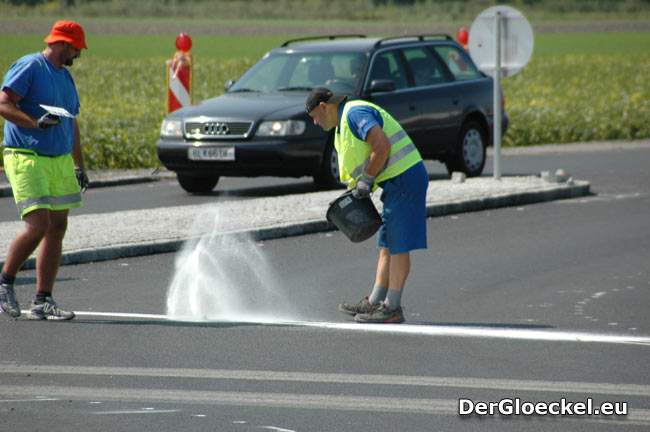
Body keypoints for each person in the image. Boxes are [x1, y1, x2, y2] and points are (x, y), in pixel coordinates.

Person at [306, 87, 428, 323]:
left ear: (323, 107)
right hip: (396, 181)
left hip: (405, 178)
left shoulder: (354, 113)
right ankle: (374, 303)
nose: (314, 122)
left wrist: (368, 179)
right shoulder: (343, 123)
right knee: (387, 244)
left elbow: (381, 146)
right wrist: (361, 185)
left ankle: (392, 307)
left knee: (399, 244)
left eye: (314, 116)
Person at [0, 20, 89, 320]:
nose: (79, 55)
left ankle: (42, 300)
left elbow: (71, 122)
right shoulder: (30, 66)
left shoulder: (65, 77)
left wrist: (79, 165)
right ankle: (4, 284)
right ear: (63, 43)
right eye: (77, 49)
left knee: (57, 228)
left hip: (59, 159)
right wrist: (34, 123)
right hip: (27, 155)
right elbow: (2, 103)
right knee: (38, 225)